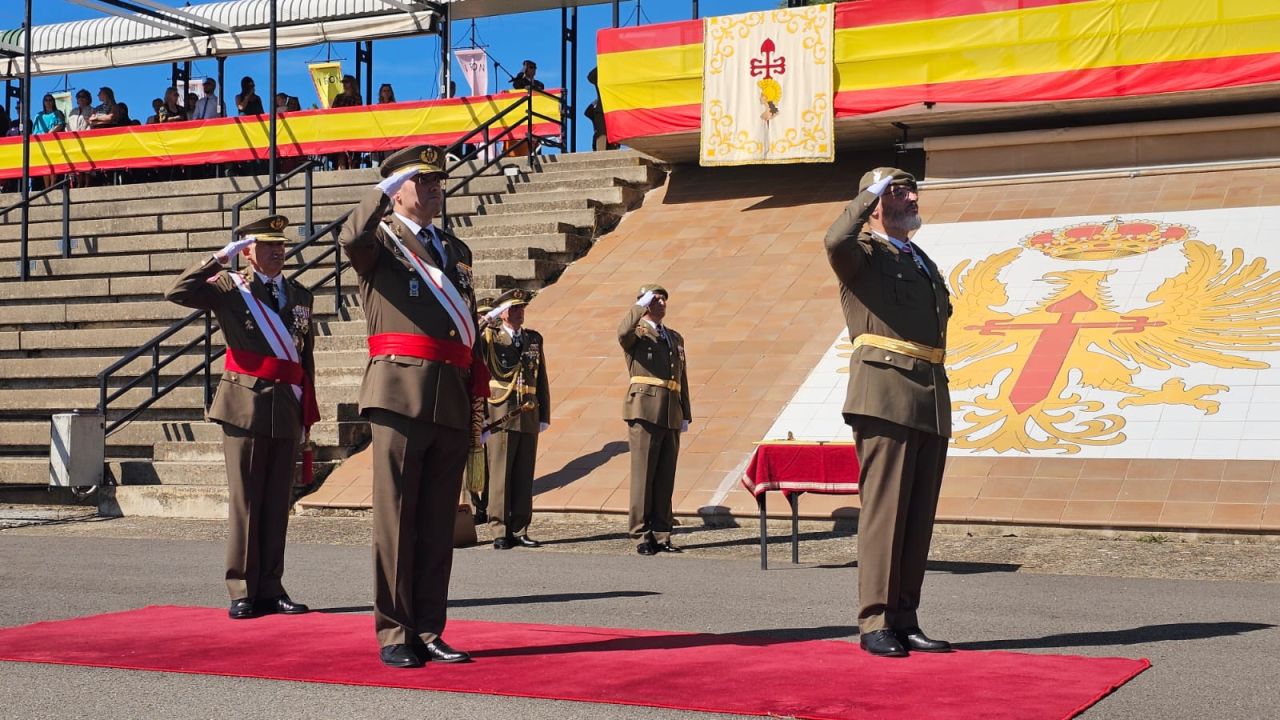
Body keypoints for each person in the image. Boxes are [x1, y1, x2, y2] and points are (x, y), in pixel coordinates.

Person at [338, 144, 487, 669]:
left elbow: (463, 320)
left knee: (436, 519)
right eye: (422, 181)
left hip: (450, 391)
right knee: (397, 519)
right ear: (396, 188)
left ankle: (429, 626)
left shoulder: (455, 247)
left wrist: (476, 387)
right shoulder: (379, 239)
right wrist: (377, 194)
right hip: (400, 390)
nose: (434, 188)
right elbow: (348, 237)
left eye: (438, 181)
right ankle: (395, 632)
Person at [823, 167, 954, 658]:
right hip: (885, 390)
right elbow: (835, 239)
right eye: (899, 190)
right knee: (886, 512)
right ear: (874, 201)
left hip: (929, 395)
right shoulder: (861, 254)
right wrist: (869, 193)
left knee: (917, 516)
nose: (912, 196)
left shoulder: (920, 260)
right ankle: (874, 620)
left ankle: (904, 617)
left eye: (911, 188)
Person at [164, 214, 317, 621]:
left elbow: (306, 357)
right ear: (247, 251)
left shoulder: (300, 294)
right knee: (246, 501)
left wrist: (306, 411)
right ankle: (242, 589)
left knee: (276, 502)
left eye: (280, 246)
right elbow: (178, 292)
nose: (277, 252)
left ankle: (271, 586)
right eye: (267, 246)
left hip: (285, 404)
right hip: (244, 403)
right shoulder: (231, 288)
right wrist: (219, 258)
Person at [618, 285, 691, 556]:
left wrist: (685, 412)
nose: (662, 303)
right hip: (645, 408)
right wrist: (640, 306)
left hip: (671, 410)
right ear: (646, 304)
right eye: (656, 299)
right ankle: (641, 533)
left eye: (663, 299)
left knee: (664, 477)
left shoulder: (674, 337)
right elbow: (622, 332)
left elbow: (681, 378)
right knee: (644, 475)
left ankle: (662, 533)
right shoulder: (637, 334)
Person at [478, 289, 551, 550]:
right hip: (501, 413)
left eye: (522, 308)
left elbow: (541, 377)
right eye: (515, 308)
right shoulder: (490, 337)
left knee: (523, 474)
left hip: (528, 413)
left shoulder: (533, 339)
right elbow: (471, 346)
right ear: (503, 312)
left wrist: (544, 414)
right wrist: (487, 320)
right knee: (500, 475)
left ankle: (520, 527)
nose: (520, 312)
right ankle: (499, 528)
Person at [583, 68, 618, 152]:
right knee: (602, 135)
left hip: (614, 109)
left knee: (610, 137)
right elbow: (591, 76)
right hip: (603, 109)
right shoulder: (602, 74)